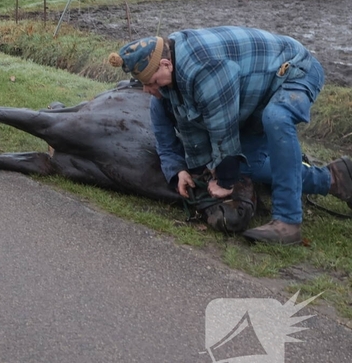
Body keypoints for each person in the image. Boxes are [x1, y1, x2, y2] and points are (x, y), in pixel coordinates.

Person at [109, 27, 352, 245]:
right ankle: (335, 179)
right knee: (250, 165)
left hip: (293, 71)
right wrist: (181, 170)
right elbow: (182, 138)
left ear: (165, 64)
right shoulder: (169, 81)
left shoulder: (203, 69)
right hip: (254, 96)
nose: (148, 89)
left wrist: (225, 181)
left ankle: (288, 221)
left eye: (152, 82)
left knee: (276, 117)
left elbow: (222, 129)